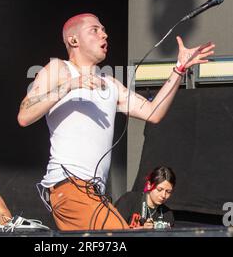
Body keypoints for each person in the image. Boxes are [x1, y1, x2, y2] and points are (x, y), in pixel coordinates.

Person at [17, 13, 215, 231]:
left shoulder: (110, 84)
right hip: (70, 186)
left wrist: (179, 69)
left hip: (95, 194)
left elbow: (153, 113)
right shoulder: (59, 69)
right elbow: (25, 115)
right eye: (95, 30)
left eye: (103, 29)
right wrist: (70, 86)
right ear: (74, 40)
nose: (104, 34)